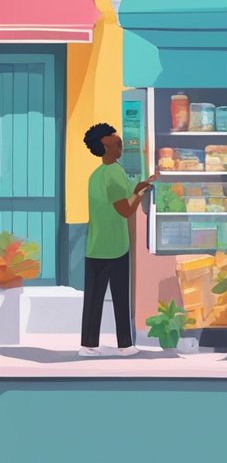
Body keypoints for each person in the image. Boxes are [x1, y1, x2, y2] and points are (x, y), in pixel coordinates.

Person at [80, 123, 155, 357]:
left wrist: (137, 187)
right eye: (116, 142)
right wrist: (140, 190)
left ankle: (88, 345)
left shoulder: (96, 174)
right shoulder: (113, 174)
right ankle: (125, 345)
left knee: (93, 298)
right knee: (121, 296)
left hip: (95, 245)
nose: (120, 145)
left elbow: (117, 199)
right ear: (104, 146)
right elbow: (125, 210)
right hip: (115, 246)